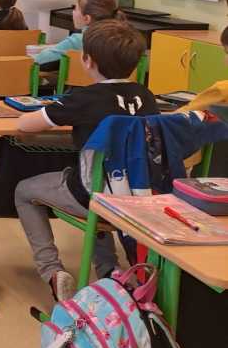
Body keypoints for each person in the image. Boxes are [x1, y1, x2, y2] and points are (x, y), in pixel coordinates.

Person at [14, 19, 158, 302]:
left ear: (87, 60)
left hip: (96, 197)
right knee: (97, 183)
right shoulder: (147, 96)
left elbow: (25, 125)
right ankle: (108, 270)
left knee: (24, 190)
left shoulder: (83, 98)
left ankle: (52, 271)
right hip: (137, 196)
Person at [32, 0, 124, 68]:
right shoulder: (122, 40)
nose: (73, 12)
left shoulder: (77, 40)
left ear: (87, 18)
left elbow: (39, 59)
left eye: (75, 8)